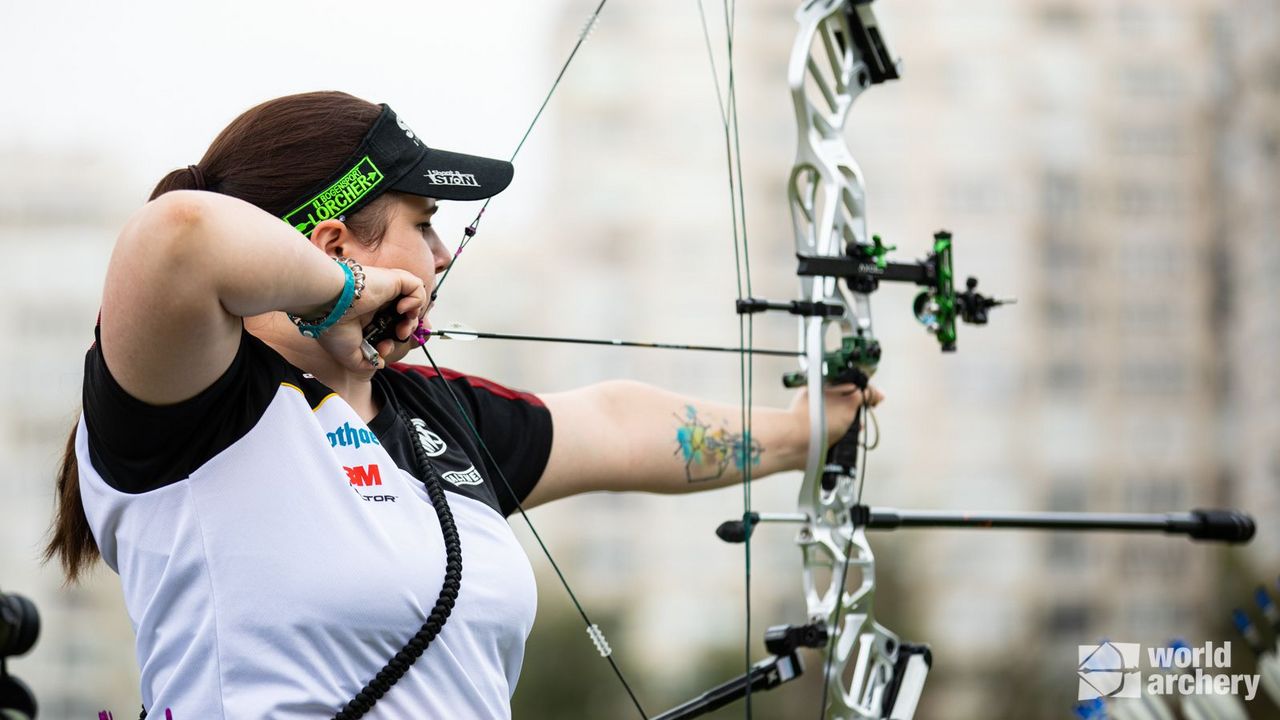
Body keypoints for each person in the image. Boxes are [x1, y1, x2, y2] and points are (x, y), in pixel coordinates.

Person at [44, 91, 882, 718]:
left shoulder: (434, 417)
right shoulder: (192, 400)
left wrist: (811, 428)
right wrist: (346, 293)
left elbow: (618, 426)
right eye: (425, 222)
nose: (442, 254)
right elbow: (177, 238)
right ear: (335, 243)